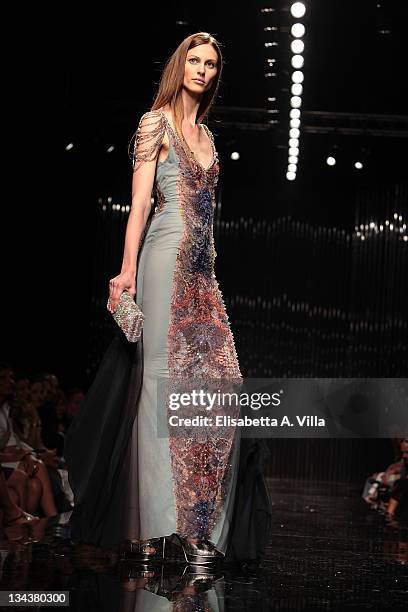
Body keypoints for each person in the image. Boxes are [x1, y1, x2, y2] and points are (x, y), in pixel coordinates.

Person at [65, 32, 271, 564]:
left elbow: (209, 219)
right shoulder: (154, 122)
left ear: (216, 74)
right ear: (179, 66)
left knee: (221, 389)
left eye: (210, 64)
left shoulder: (209, 139)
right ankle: (159, 528)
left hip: (203, 274)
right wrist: (127, 270)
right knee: (157, 385)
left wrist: (213, 271)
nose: (201, 69)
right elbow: (139, 204)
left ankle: (194, 520)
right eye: (194, 60)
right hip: (161, 260)